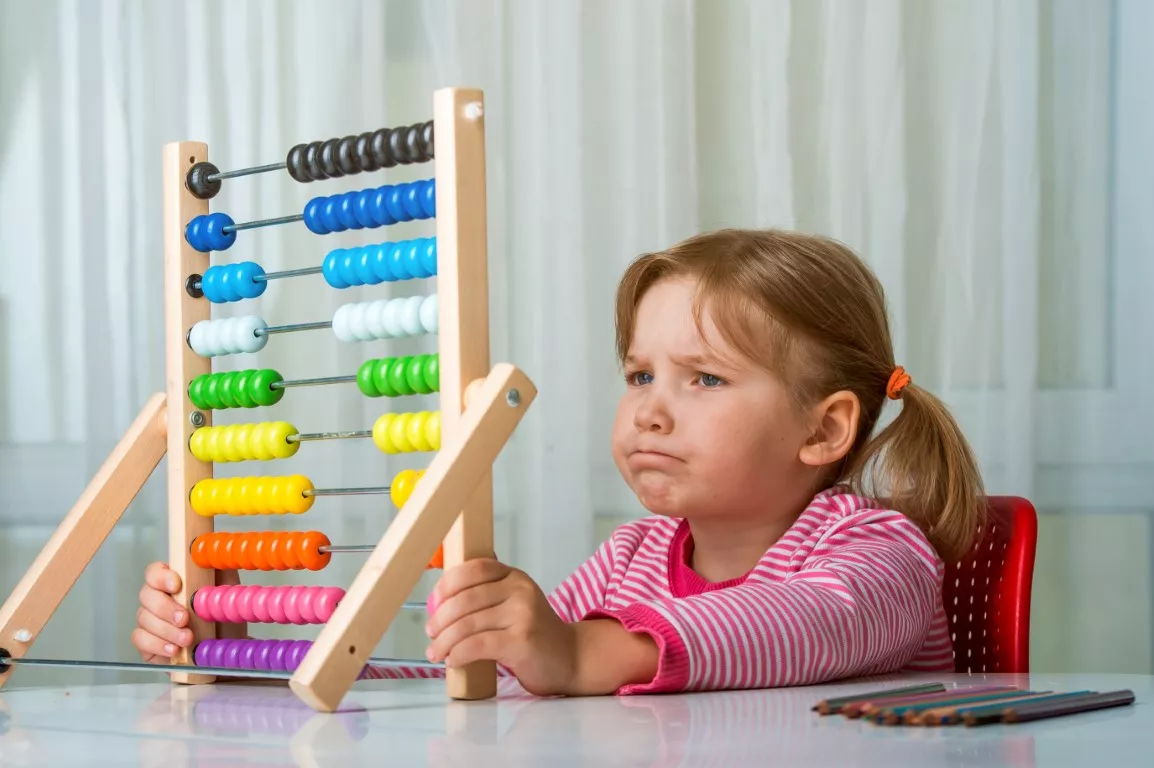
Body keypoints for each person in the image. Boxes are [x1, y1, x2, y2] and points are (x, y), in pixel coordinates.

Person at [133, 228, 985, 697]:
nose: (649, 406)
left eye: (706, 378)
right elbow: (508, 682)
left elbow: (801, 627)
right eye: (640, 374)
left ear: (825, 429)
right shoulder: (631, 562)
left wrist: (580, 656)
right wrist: (249, 652)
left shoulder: (877, 553)